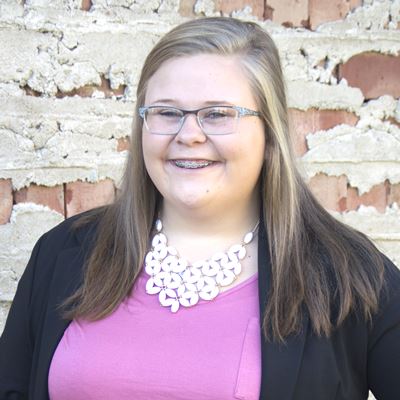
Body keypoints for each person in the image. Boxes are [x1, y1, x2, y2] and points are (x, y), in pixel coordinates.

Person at [1, 16, 399, 400]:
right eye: (166, 112)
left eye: (218, 114)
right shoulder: (64, 252)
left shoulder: (348, 276)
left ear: (269, 133)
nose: (189, 134)